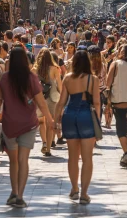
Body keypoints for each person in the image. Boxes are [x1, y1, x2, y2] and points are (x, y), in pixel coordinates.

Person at [0, 47, 54, 208]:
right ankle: (19, 195)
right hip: (28, 124)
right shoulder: (31, 78)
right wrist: (49, 119)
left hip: (10, 124)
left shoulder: (5, 78)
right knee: (23, 160)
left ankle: (13, 192)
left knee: (13, 161)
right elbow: (41, 101)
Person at [54, 51, 100, 205]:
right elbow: (97, 103)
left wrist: (56, 121)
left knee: (73, 156)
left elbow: (61, 102)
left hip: (70, 115)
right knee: (87, 158)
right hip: (86, 116)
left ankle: (74, 189)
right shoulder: (93, 79)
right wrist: (97, 122)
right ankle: (84, 193)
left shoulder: (67, 78)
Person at [32, 48, 62, 156]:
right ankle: (48, 148)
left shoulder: (34, 69)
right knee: (51, 122)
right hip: (52, 98)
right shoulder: (55, 69)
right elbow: (59, 85)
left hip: (39, 98)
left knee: (41, 122)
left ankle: (44, 142)